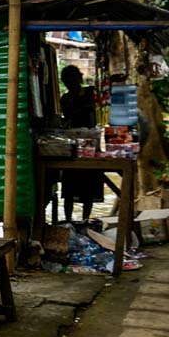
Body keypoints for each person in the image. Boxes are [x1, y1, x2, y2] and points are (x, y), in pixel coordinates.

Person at [59, 65, 104, 221]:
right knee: (69, 189)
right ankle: (68, 221)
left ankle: (85, 220)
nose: (70, 83)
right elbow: (68, 116)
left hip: (90, 144)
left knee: (89, 187)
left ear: (79, 78)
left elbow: (94, 108)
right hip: (73, 145)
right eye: (67, 81)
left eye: (72, 79)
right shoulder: (66, 99)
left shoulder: (90, 92)